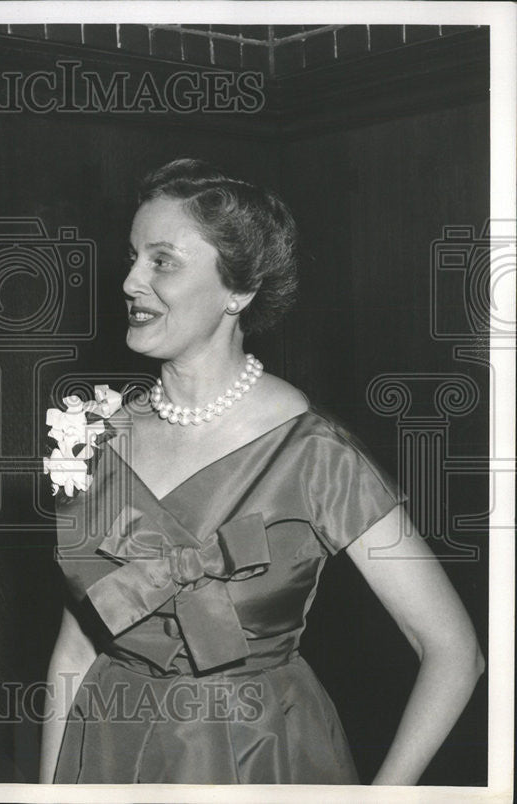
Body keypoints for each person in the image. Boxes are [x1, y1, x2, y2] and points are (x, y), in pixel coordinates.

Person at [40, 158, 484, 785]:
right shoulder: (93, 434)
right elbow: (77, 649)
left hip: (258, 759)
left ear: (238, 292)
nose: (131, 280)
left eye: (161, 260)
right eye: (132, 256)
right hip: (108, 753)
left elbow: (452, 652)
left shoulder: (314, 454)